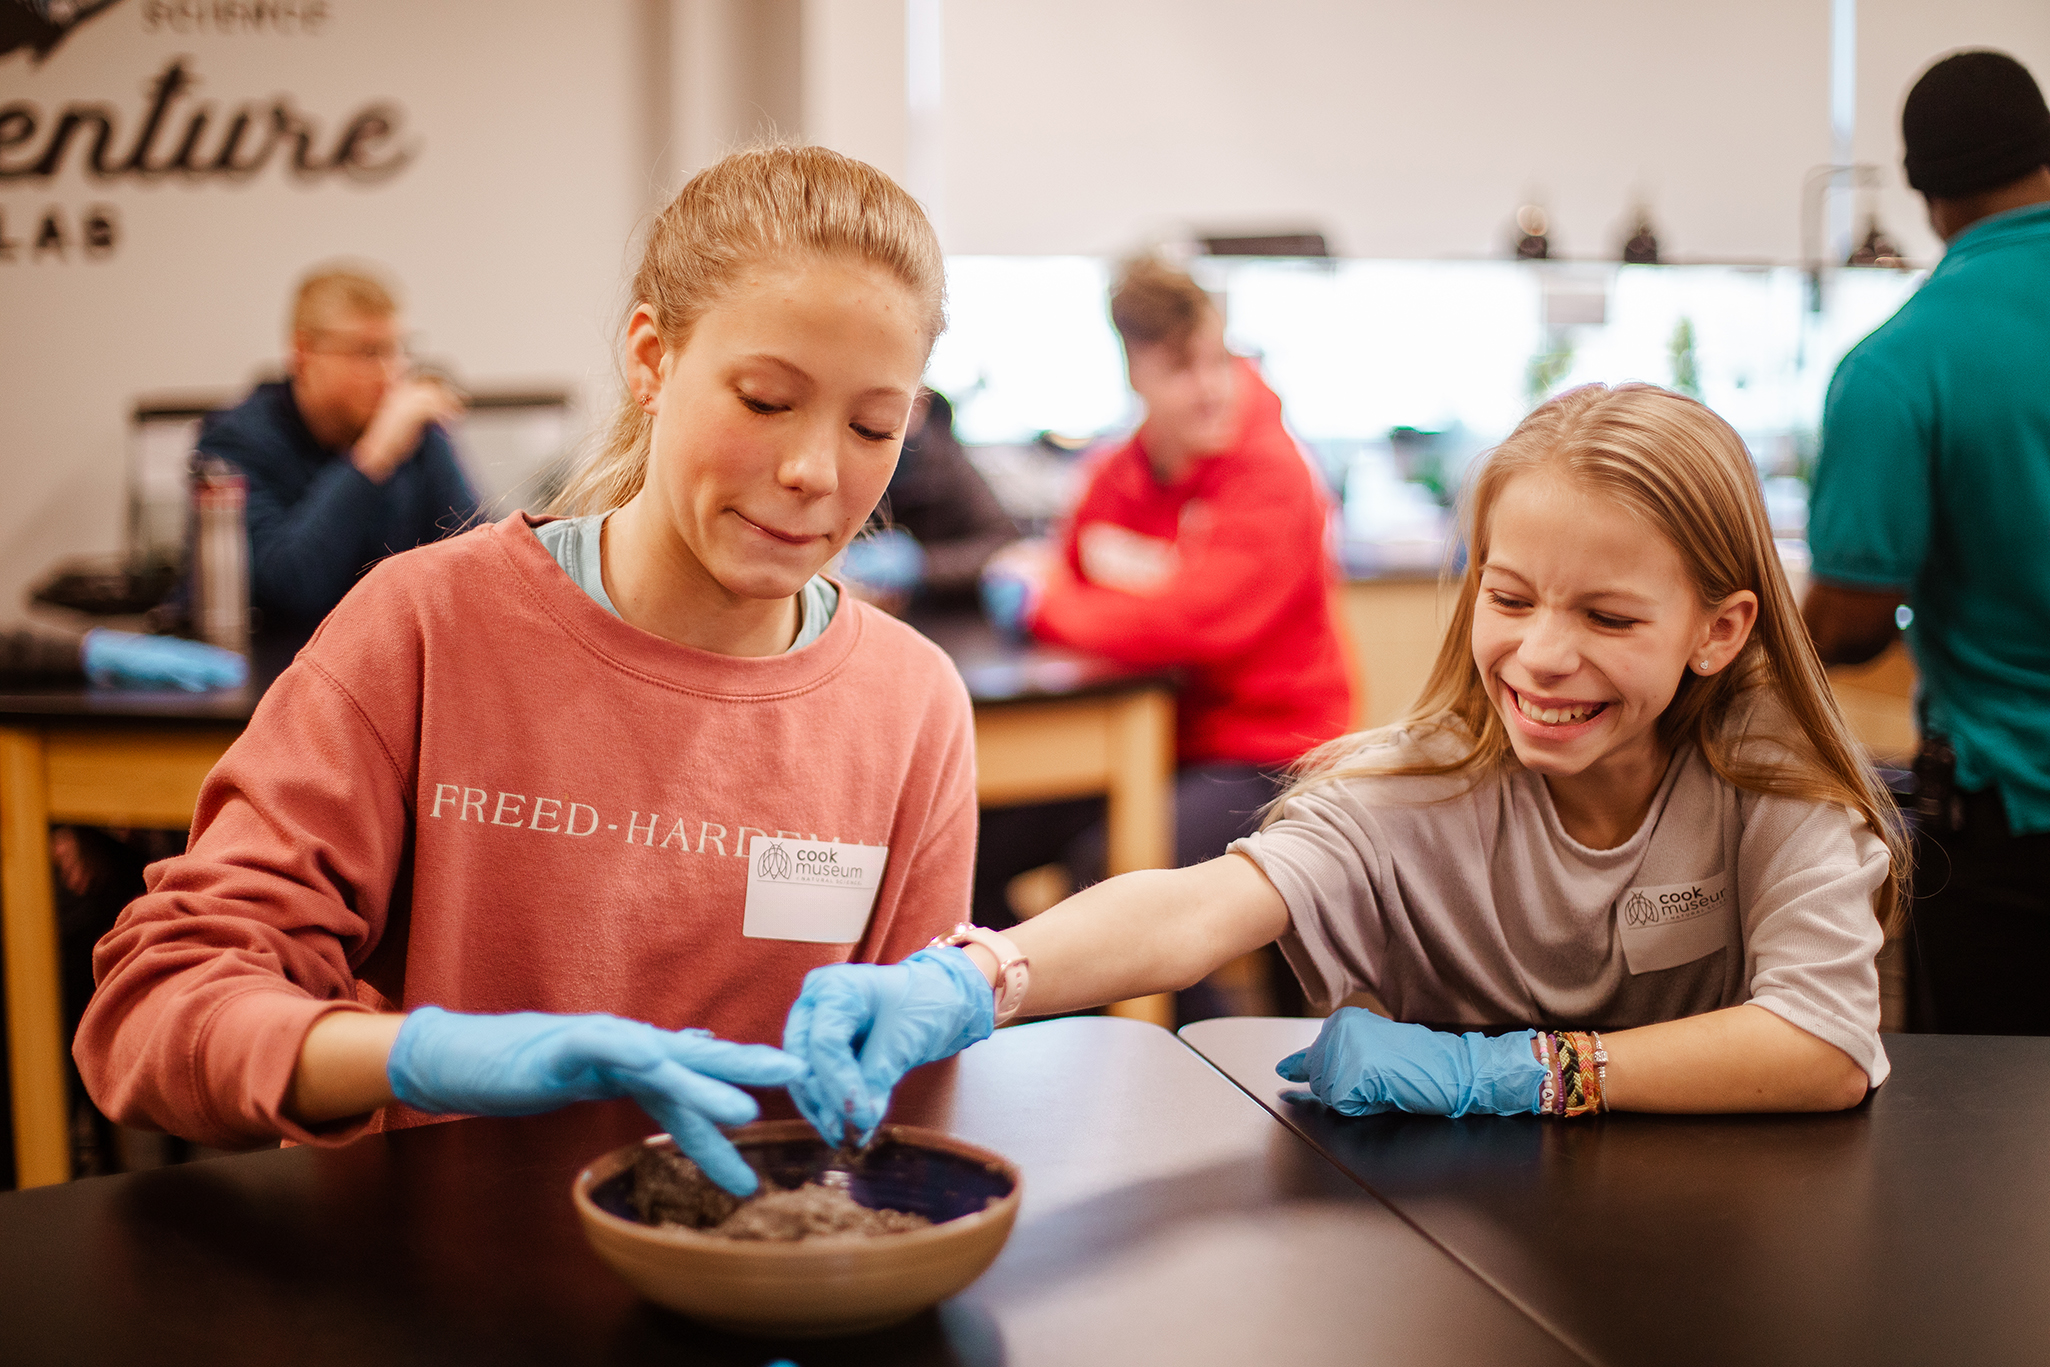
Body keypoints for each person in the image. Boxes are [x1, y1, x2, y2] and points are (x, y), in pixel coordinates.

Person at [74, 145, 973, 1195]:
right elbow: (155, 1010)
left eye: (872, 426)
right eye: (766, 400)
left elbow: (905, 1112)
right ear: (651, 359)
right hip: (436, 1260)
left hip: (759, 1266)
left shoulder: (910, 708)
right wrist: (413, 1057)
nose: (814, 470)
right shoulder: (426, 628)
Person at [783, 383, 1904, 1142]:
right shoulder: (1417, 789)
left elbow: (1821, 1043)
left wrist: (1517, 1071)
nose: (1543, 654)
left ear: (1719, 629)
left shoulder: (1776, 787)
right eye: (1509, 598)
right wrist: (981, 974)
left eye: (1608, 617)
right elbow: (1196, 908)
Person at [971, 259, 1353, 974]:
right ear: (1135, 372)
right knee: (974, 842)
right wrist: (1089, 598)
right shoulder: (1118, 475)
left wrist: (1050, 606)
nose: (1209, 387)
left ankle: (1176, 1030)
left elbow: (1193, 624)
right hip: (1155, 743)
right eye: (1179, 368)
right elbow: (1078, 563)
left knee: (1112, 870)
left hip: (1272, 754)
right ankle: (1037, 999)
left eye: (1217, 358)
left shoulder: (1274, 473)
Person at [1803, 49, 2050, 1035]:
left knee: (1987, 1115)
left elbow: (1852, 621)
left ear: (1922, 191)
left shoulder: (1896, 365)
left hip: (2012, 826)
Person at [197, 265, 480, 633]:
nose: (390, 373)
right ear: (303, 353)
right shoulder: (237, 443)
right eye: (368, 352)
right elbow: (290, 586)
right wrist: (373, 456)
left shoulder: (416, 433)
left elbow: (478, 561)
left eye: (397, 349)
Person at [838, 389, 1019, 612]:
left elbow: (1002, 542)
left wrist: (923, 564)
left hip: (937, 613)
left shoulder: (947, 465)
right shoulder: (842, 460)